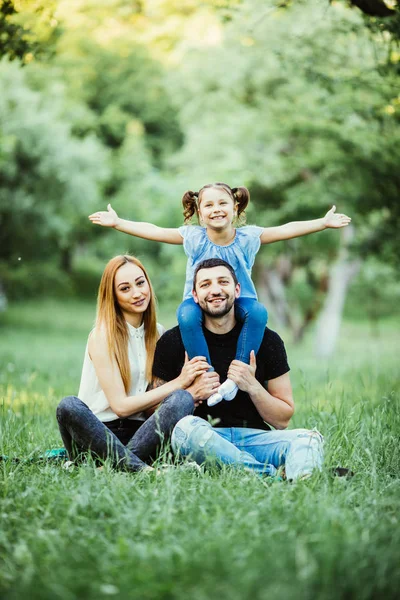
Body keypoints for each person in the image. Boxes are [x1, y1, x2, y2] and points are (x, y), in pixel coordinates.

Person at [89, 182, 351, 407]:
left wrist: (323, 223)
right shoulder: (194, 237)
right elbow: (155, 231)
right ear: (201, 214)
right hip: (197, 302)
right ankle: (209, 377)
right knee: (186, 316)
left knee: (258, 312)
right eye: (209, 206)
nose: (216, 210)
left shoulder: (248, 237)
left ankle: (236, 378)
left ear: (235, 208)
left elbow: (285, 229)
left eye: (223, 203)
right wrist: (118, 223)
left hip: (239, 300)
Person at [151, 258, 324, 481]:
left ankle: (299, 482)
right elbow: (152, 414)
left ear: (237, 289)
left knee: (308, 439)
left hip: (255, 439)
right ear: (194, 296)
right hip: (202, 437)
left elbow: (282, 420)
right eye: (205, 285)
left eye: (223, 282)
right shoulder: (173, 341)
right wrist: (188, 391)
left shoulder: (268, 341)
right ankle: (274, 477)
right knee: (186, 429)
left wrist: (252, 386)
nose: (215, 290)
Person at [56, 255, 209, 472]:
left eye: (140, 283)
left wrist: (190, 389)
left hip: (141, 436)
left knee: (182, 399)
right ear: (113, 296)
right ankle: (144, 471)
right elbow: (120, 407)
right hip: (97, 434)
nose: (137, 293)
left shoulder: (157, 334)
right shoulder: (101, 335)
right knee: (68, 406)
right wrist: (179, 382)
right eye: (125, 288)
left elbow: (156, 401)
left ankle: (118, 468)